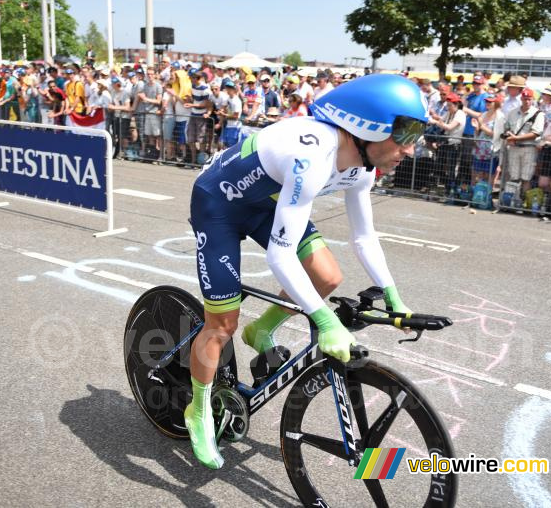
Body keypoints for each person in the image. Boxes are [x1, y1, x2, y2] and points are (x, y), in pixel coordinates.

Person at [185, 74, 425, 470]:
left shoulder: (362, 168)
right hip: (219, 207)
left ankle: (261, 330)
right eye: (403, 135)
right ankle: (197, 411)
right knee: (222, 325)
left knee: (327, 276)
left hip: (267, 204)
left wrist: (394, 298)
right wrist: (326, 320)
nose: (409, 149)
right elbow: (280, 258)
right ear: (367, 126)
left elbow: (364, 238)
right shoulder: (313, 158)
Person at [504, 88, 545, 198]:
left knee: (526, 178)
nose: (526, 101)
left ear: (532, 100)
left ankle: (523, 202)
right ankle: (511, 200)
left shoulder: (538, 114)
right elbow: (507, 127)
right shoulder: (512, 112)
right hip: (514, 148)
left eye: (529, 99)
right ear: (521, 98)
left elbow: (536, 133)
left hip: (529, 148)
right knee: (513, 176)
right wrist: (509, 135)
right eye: (525, 99)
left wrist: (516, 138)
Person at [470, 94, 505, 185]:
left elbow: (496, 134)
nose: (487, 103)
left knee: (489, 175)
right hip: (480, 149)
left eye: (490, 101)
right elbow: (479, 132)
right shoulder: (484, 114)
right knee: (477, 173)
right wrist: (476, 128)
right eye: (486, 101)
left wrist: (481, 125)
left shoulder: (500, 116)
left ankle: (487, 195)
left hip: (491, 150)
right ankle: (477, 194)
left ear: (496, 103)